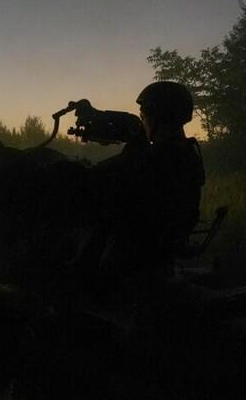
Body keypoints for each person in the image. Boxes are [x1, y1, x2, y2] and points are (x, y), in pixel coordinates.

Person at [81, 81, 205, 287]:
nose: (142, 121)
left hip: (136, 253)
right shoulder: (185, 151)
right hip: (161, 246)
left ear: (157, 116)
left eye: (143, 115)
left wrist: (83, 171)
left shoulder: (158, 158)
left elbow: (106, 180)